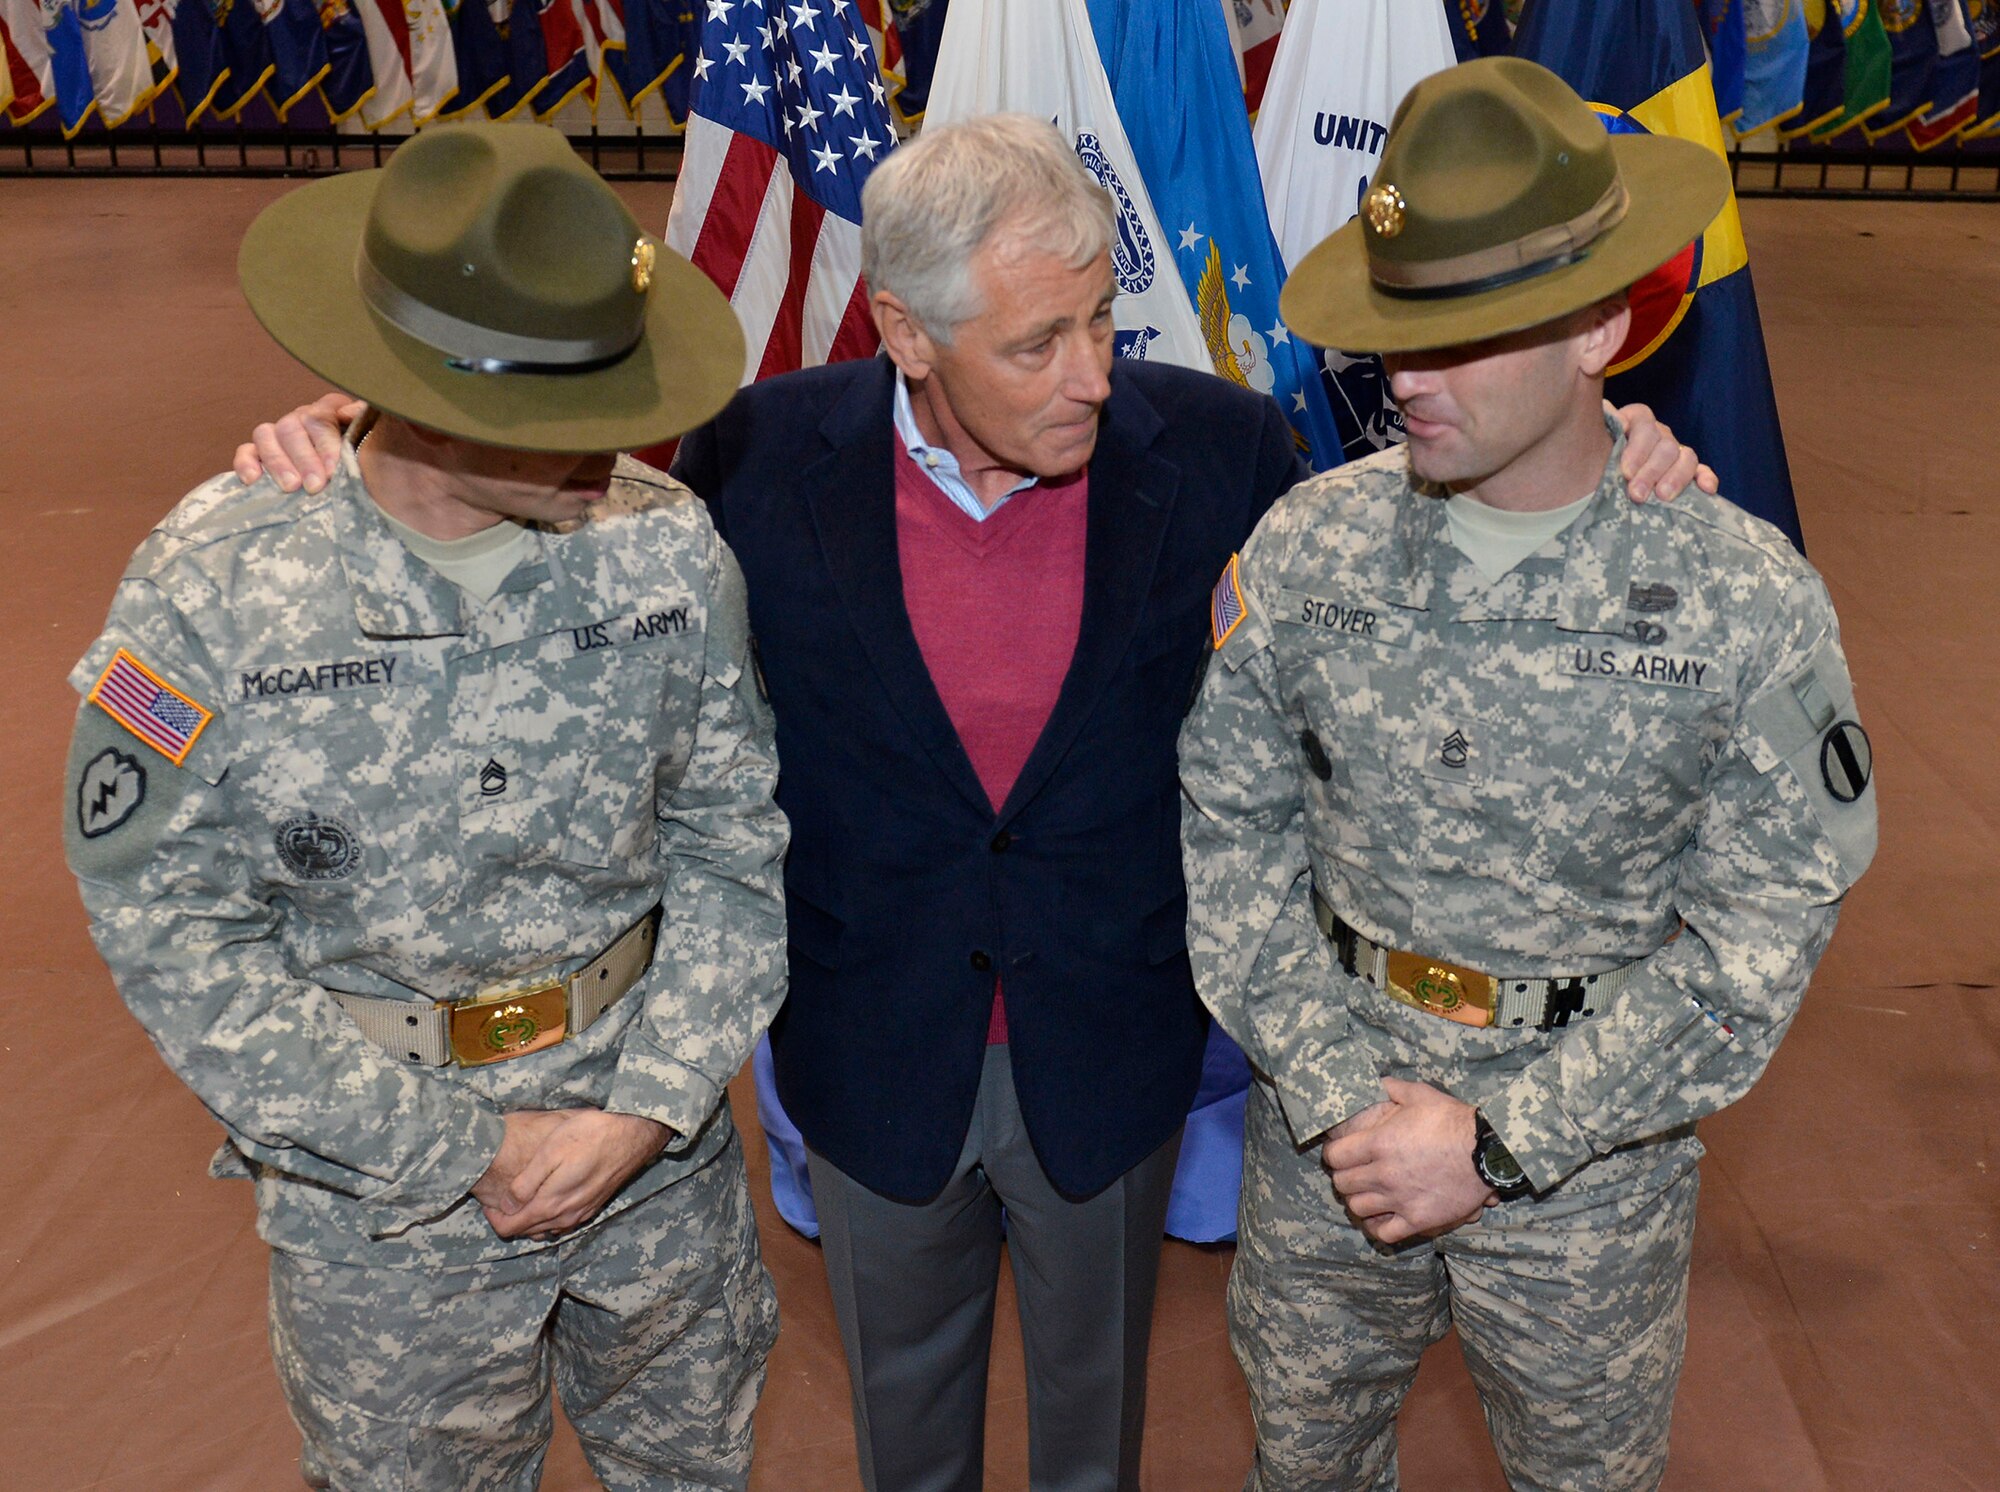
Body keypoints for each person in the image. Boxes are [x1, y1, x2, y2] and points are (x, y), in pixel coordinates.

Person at [236, 116, 1708, 1492]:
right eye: (1035, 343)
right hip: (878, 1051)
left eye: (1097, 325)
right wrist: (350, 431)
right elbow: (514, 480)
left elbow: (1427, 520)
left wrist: (1623, 446)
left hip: (1109, 1050)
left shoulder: (1222, 454)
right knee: (909, 1437)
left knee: (1095, 1439)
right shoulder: (752, 462)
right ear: (902, 334)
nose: (1090, 376)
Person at [1179, 57, 1878, 1492]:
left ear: (1600, 328)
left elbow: (1757, 943)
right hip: (1335, 1134)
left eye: (1464, 339)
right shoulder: (1307, 551)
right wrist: (1339, 1098)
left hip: (1590, 1169)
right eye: (1392, 336)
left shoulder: (1741, 600)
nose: (1405, 383)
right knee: (1302, 1465)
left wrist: (1498, 1141)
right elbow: (1232, 844)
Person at [62, 122, 790, 1491]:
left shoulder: (665, 544)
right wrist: (456, 1148)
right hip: (379, 1211)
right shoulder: (218, 584)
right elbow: (167, 922)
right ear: (420, 386)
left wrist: (644, 1110)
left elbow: (735, 854)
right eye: (554, 420)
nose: (605, 452)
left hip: (655, 1171)